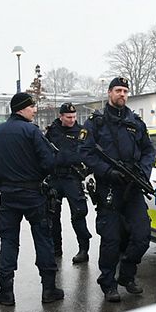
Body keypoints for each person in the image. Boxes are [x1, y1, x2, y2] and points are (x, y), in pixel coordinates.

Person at [0, 92, 64, 305]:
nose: (35, 110)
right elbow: (49, 162)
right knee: (43, 240)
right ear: (21, 108)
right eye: (32, 107)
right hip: (34, 196)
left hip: (8, 196)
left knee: (8, 241)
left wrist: (4, 180)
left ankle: (6, 292)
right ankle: (48, 290)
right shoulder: (32, 132)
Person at [81, 77, 155, 303]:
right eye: (118, 90)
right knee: (111, 239)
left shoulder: (136, 123)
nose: (122, 94)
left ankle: (127, 275)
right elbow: (85, 153)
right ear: (109, 93)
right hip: (109, 188)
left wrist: (142, 173)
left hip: (133, 188)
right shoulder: (96, 123)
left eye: (125, 91)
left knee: (142, 237)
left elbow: (148, 152)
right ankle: (108, 283)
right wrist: (107, 172)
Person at [44, 102, 92, 264]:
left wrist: (84, 169)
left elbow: (88, 154)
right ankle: (56, 249)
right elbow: (44, 153)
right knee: (52, 215)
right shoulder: (52, 131)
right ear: (61, 116)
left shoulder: (81, 133)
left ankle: (83, 249)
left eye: (74, 116)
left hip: (73, 178)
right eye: (68, 117)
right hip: (55, 178)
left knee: (78, 214)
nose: (72, 120)